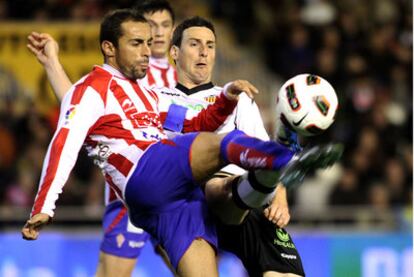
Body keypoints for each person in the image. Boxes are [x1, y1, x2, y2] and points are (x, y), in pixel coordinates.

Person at [21, 8, 343, 276]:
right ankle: (285, 153)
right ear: (109, 47)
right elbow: (69, 128)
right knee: (222, 147)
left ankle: (278, 164)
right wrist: (45, 205)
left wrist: (226, 99)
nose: (148, 50)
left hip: (187, 203)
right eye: (138, 43)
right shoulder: (101, 88)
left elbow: (195, 124)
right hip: (157, 177)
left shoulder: (149, 96)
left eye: (150, 41)